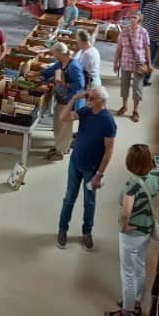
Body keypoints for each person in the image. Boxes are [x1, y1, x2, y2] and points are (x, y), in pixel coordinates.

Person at [105, 144, 159, 316]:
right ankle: (136, 303)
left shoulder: (132, 186)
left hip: (132, 234)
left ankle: (125, 313)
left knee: (127, 273)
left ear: (129, 163)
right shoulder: (155, 176)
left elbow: (125, 212)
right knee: (140, 266)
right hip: (146, 231)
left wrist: (124, 227)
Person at [56, 86, 116, 252]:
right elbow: (63, 117)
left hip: (92, 169)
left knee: (89, 202)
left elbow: (109, 150)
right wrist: (74, 99)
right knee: (69, 198)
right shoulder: (85, 111)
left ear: (102, 101)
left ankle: (87, 232)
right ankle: (62, 229)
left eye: (92, 98)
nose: (88, 100)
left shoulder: (108, 121)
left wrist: (99, 174)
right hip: (75, 163)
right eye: (88, 97)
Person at [40, 43, 86, 162]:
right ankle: (58, 146)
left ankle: (61, 151)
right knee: (58, 123)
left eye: (55, 54)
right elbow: (50, 71)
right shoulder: (61, 62)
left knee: (65, 126)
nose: (54, 56)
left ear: (60, 53)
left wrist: (66, 84)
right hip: (62, 98)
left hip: (70, 101)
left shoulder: (73, 66)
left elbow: (80, 84)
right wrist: (39, 76)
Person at [114, 12, 151, 122]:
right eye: (131, 17)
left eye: (135, 17)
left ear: (139, 19)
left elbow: (147, 48)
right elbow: (119, 48)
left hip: (138, 63)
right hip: (125, 62)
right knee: (124, 86)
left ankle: (135, 110)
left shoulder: (143, 32)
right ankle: (124, 106)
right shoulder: (124, 32)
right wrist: (116, 62)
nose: (132, 19)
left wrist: (149, 63)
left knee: (137, 88)